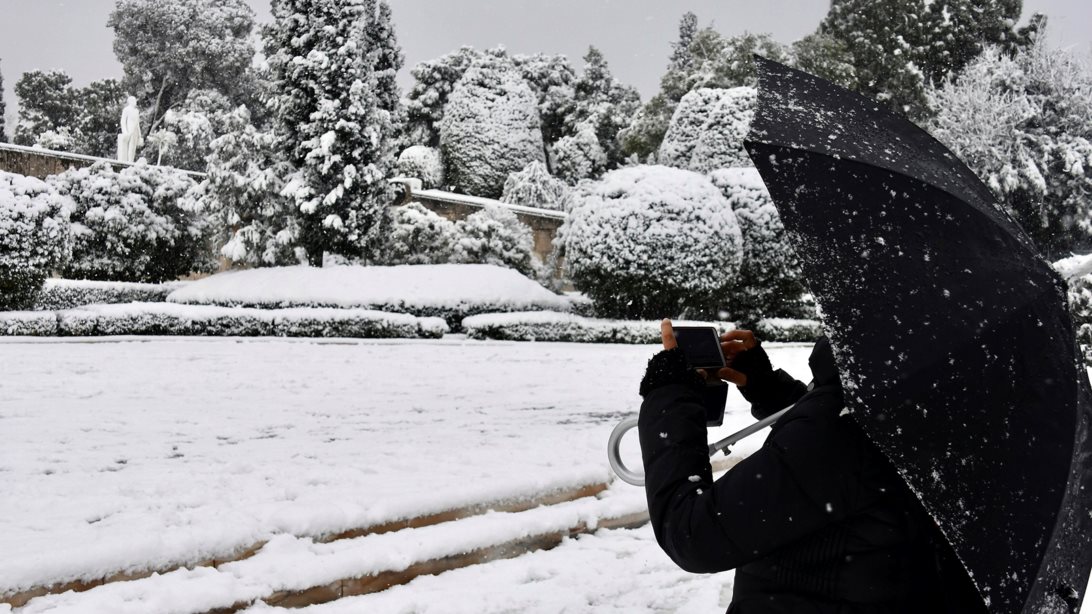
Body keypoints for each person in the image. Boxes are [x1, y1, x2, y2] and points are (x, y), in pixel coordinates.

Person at [637, 320, 986, 614]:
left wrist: (668, 395)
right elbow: (830, 473)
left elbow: (694, 533)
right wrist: (769, 388)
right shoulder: (947, 405)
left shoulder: (850, 425)